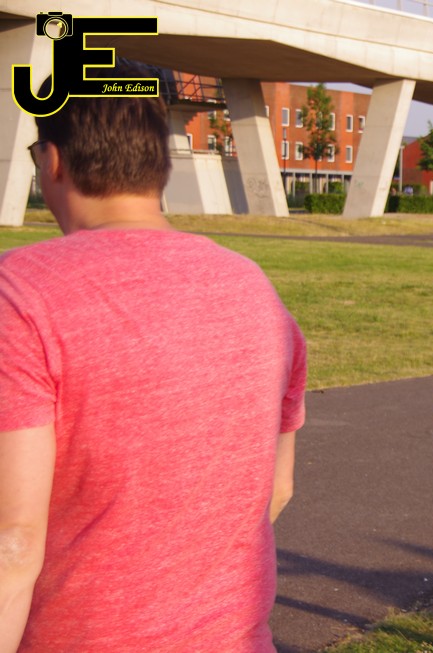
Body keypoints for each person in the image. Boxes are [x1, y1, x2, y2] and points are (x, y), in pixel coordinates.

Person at [0, 60, 307, 652]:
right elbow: (277, 488)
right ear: (158, 164)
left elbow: (12, 540)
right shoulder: (256, 291)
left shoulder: (20, 293)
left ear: (52, 160)